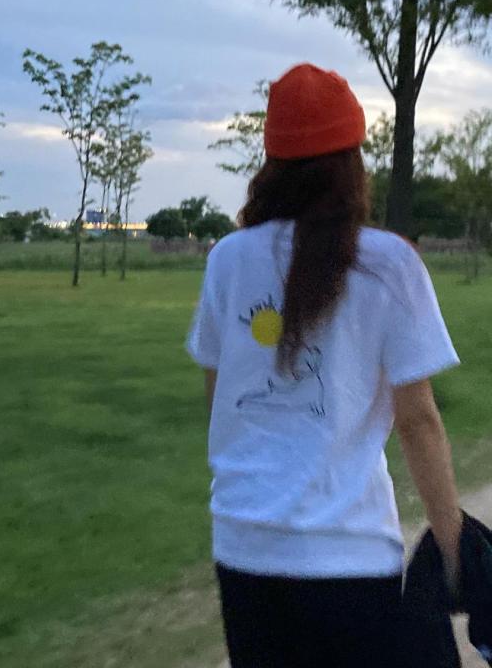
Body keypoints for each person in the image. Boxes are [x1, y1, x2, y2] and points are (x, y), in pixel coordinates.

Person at [186, 64, 463, 667]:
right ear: (352, 162)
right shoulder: (388, 265)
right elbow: (418, 421)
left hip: (244, 547)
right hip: (350, 555)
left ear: (271, 161)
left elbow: (220, 398)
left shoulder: (228, 260)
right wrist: (454, 547)